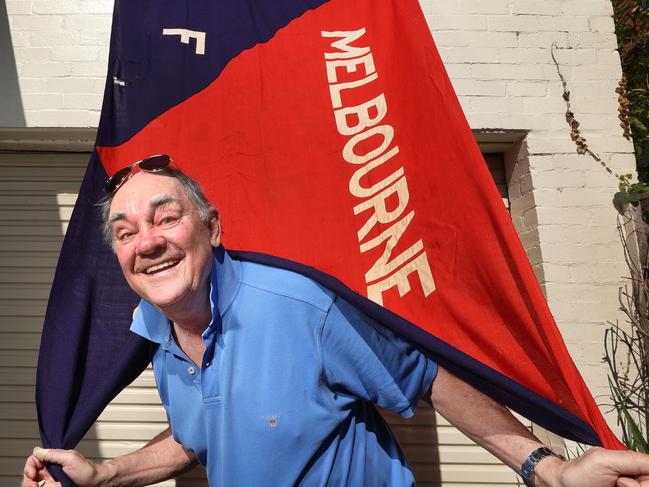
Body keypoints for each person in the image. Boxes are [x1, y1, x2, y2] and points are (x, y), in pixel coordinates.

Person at [22, 159, 649, 487]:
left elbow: (428, 377)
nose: (148, 242)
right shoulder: (155, 334)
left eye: (166, 218)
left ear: (211, 229)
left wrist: (548, 468)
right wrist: (104, 475)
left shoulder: (302, 307)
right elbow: (198, 436)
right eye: (127, 234)